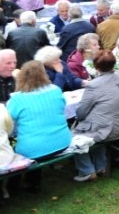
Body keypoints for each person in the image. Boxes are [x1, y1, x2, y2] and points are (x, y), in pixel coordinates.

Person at [5, 61, 72, 193]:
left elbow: (8, 123)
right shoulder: (55, 90)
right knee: (35, 139)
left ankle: (12, 187)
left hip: (33, 149)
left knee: (14, 145)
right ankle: (31, 184)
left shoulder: (16, 99)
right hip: (63, 141)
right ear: (44, 75)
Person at [70, 50, 119, 182]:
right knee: (94, 126)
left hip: (109, 129)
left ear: (95, 66)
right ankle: (100, 166)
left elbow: (81, 113)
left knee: (73, 137)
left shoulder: (93, 85)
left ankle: (87, 170)